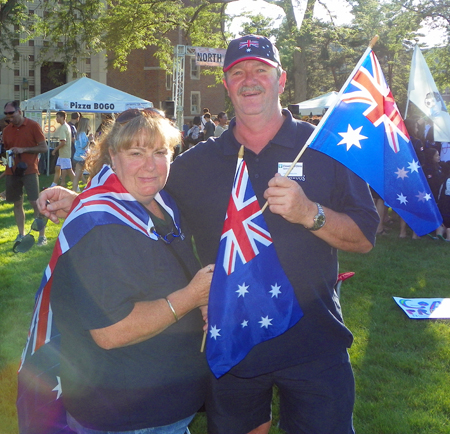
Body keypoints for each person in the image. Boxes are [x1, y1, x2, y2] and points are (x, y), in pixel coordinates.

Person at [38, 34, 379, 434]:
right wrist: (80, 201)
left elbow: (364, 238)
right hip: (231, 340)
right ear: (226, 84)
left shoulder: (323, 148)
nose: (249, 79)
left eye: (261, 70)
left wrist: (310, 213)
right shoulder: (196, 163)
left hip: (314, 343)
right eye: (238, 72)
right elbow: (139, 194)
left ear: (281, 79)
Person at [46, 108, 214, 433]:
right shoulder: (99, 228)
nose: (150, 165)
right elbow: (112, 331)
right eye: (136, 153)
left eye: (160, 152)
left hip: (163, 403)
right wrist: (191, 296)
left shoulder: (158, 203)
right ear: (113, 155)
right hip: (126, 415)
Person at [3, 100, 48, 246]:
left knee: (35, 202)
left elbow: (44, 148)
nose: (9, 116)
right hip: (12, 171)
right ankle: (21, 234)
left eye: (11, 113)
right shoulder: (6, 130)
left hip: (29, 169)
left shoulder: (33, 126)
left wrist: (24, 149)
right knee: (17, 203)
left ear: (19, 111)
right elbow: (7, 150)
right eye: (6, 114)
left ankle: (42, 236)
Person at [51, 111, 75, 188]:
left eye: (57, 117)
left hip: (65, 153)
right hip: (62, 154)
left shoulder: (63, 128)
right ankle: (53, 185)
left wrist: (55, 149)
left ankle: (76, 186)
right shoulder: (67, 126)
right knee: (57, 168)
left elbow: (63, 142)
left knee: (69, 171)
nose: (56, 119)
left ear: (62, 117)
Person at [72, 117, 91, 192]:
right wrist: (89, 140)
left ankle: (78, 189)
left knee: (79, 175)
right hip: (82, 157)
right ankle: (74, 191)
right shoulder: (82, 134)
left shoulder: (78, 133)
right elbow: (84, 146)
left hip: (77, 156)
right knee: (79, 176)